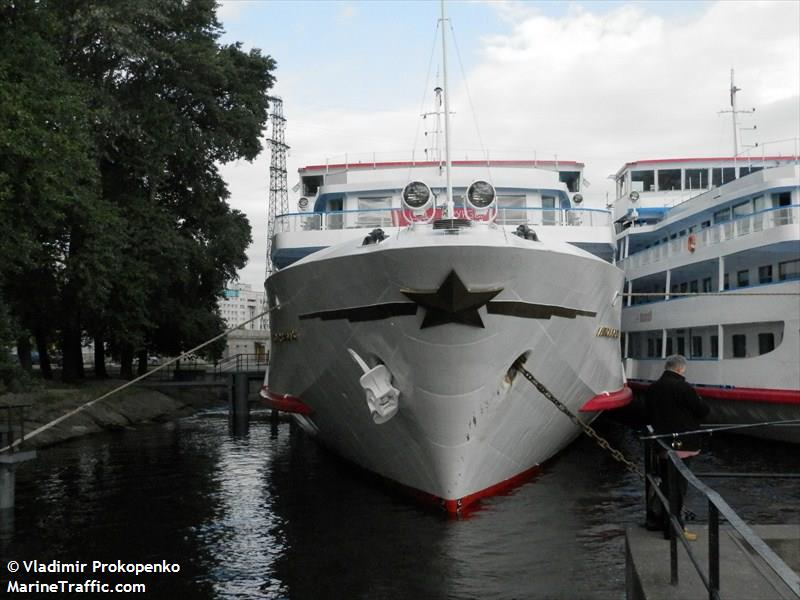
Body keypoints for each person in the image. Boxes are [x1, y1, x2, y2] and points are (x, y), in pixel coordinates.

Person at [644, 354, 709, 540]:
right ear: (680, 369)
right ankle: (675, 529)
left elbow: (647, 414)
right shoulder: (683, 387)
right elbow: (703, 410)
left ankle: (657, 519)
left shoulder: (653, 388)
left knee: (665, 484)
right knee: (678, 487)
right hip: (683, 444)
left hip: (662, 443)